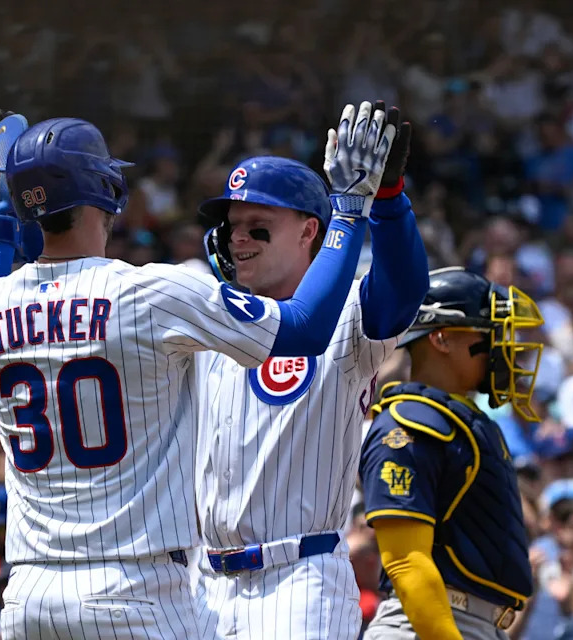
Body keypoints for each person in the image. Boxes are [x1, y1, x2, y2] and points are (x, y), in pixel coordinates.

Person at [0, 103, 397, 637]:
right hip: (134, 592)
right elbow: (303, 328)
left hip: (29, 597)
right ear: (107, 193)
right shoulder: (148, 292)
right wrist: (347, 212)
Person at [192, 101, 427, 639]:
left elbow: (402, 292)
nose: (238, 239)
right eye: (232, 228)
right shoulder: (209, 318)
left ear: (307, 232)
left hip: (298, 578)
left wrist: (387, 201)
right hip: (205, 583)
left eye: (259, 226)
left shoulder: (344, 315)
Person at [359, 267, 545, 639]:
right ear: (442, 339)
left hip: (468, 624)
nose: (502, 346)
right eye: (488, 333)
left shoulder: (466, 422)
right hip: (426, 624)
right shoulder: (410, 423)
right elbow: (405, 561)